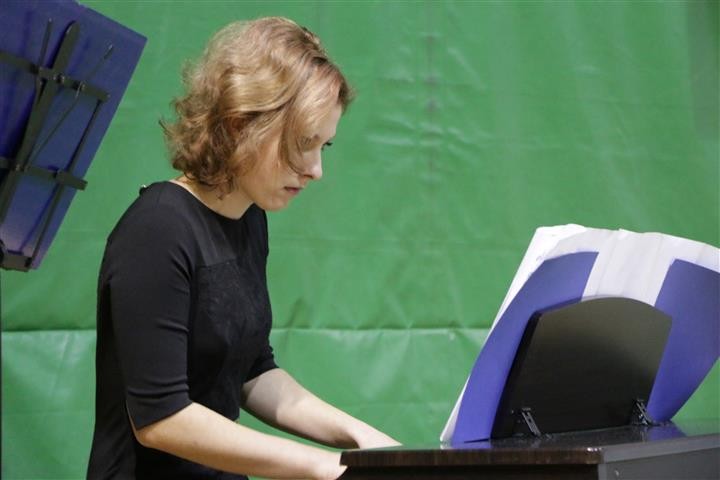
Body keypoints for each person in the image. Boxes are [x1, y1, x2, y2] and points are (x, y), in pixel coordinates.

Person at [87, 17, 399, 480]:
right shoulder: (156, 229)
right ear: (240, 125)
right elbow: (160, 419)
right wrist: (324, 466)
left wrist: (364, 440)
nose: (316, 170)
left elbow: (253, 371)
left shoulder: (250, 220)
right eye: (303, 143)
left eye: (324, 146)